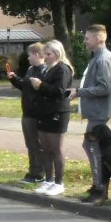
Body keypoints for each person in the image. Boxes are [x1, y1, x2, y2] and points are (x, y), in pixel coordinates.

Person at [66, 24, 111, 202]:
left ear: (98, 39)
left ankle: (100, 188)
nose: (84, 41)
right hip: (98, 110)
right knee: (91, 146)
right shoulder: (98, 57)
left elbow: (104, 88)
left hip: (100, 110)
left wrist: (79, 92)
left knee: (93, 147)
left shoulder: (103, 59)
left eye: (87, 38)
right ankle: (98, 185)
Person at [31, 40, 73, 196]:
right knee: (46, 149)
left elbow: (60, 91)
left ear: (57, 53)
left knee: (56, 149)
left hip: (57, 112)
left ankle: (59, 182)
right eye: (45, 54)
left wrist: (41, 85)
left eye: (48, 54)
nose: (46, 57)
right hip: (45, 112)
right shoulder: (49, 69)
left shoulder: (62, 68)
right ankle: (48, 180)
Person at [7, 42, 46, 185]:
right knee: (30, 144)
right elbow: (25, 86)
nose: (28, 58)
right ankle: (33, 171)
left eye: (29, 55)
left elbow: (43, 91)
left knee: (37, 144)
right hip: (27, 112)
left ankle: (39, 172)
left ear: (36, 54)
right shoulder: (31, 69)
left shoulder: (44, 71)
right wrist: (14, 79)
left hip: (36, 114)